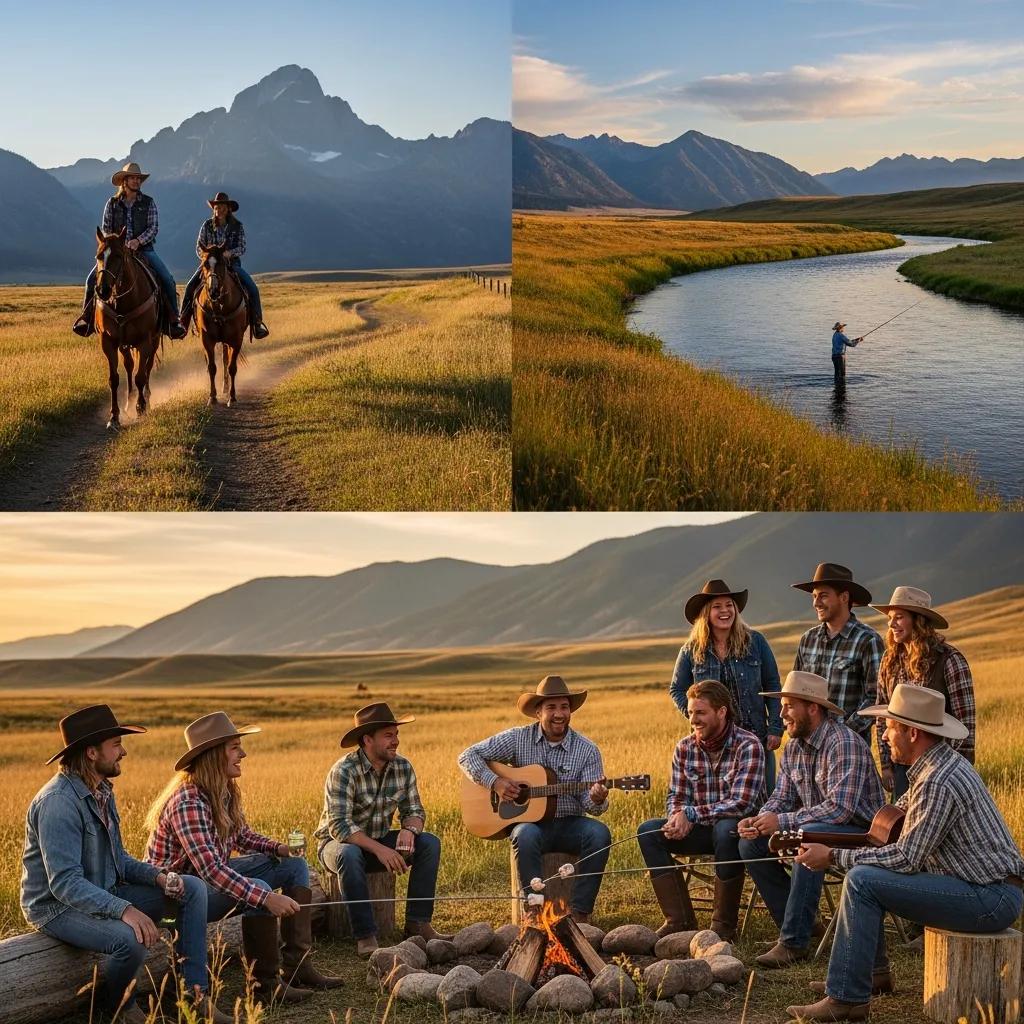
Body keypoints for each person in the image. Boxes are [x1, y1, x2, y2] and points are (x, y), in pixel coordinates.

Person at [788, 685, 1024, 1023]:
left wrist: (834, 857)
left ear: (913, 733)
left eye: (890, 727)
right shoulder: (934, 768)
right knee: (868, 878)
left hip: (990, 898)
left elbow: (906, 858)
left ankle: (846, 1000)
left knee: (862, 882)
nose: (883, 736)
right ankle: (871, 976)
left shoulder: (937, 781)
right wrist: (836, 844)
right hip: (986, 889)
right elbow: (893, 820)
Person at [21, 705, 216, 1023]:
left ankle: (192, 994)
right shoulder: (57, 803)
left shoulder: (101, 791)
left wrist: (158, 877)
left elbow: (119, 858)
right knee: (129, 939)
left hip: (103, 888)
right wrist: (124, 910)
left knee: (189, 888)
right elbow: (64, 883)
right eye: (116, 744)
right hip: (57, 907)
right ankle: (116, 1010)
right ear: (91, 753)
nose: (123, 752)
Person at [146, 712, 342, 1002]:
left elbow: (241, 836)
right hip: (176, 898)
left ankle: (297, 966)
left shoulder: (222, 790)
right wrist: (266, 899)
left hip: (206, 881)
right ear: (214, 755)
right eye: (235, 747)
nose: (243, 754)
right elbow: (212, 870)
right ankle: (264, 987)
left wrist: (278, 848)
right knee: (259, 890)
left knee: (294, 865)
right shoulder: (188, 801)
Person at [737, 672, 885, 968]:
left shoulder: (844, 744)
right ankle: (804, 921)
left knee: (808, 834)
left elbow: (840, 810)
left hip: (862, 833)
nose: (781, 714)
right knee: (750, 845)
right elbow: (782, 797)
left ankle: (794, 942)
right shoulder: (793, 747)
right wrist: (762, 818)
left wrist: (785, 822)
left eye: (789, 705)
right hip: (816, 827)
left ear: (813, 708)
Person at [458, 675, 612, 925]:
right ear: (537, 712)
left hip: (570, 824)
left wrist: (598, 797)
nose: (559, 714)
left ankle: (580, 913)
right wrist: (495, 782)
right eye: (551, 707)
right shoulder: (518, 738)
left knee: (599, 834)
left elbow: (592, 806)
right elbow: (467, 756)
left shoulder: (587, 749)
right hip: (532, 826)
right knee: (524, 834)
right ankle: (533, 909)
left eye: (564, 707)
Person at [314, 702, 450, 958]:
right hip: (335, 845)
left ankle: (417, 925)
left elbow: (415, 811)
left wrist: (409, 830)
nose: (396, 741)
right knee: (349, 854)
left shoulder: (402, 767)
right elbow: (339, 826)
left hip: (377, 840)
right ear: (368, 739)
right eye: (389, 735)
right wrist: (381, 850)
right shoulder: (343, 771)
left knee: (429, 843)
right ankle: (365, 936)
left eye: (396, 734)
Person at [638, 680, 765, 940]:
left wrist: (692, 814)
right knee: (648, 831)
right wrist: (676, 818)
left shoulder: (748, 745)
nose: (693, 719)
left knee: (725, 828)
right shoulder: (685, 748)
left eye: (700, 712)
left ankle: (723, 926)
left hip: (740, 833)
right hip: (698, 830)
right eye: (691, 712)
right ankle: (679, 921)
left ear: (722, 712)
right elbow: (677, 794)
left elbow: (742, 803)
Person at [670, 579, 782, 791]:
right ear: (706, 613)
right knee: (720, 802)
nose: (725, 611)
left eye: (729, 605)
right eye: (717, 606)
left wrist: (775, 727)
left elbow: (773, 684)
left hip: (756, 737)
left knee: (764, 797)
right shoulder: (691, 650)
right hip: (712, 745)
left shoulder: (755, 641)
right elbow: (676, 689)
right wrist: (697, 715)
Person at [871, 586, 976, 799]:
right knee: (901, 826)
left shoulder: (949, 660)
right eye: (890, 618)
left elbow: (966, 724)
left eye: (899, 617)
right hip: (901, 763)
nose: (892, 624)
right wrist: (886, 764)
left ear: (918, 620)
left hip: (940, 765)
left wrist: (954, 772)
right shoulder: (889, 661)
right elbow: (883, 714)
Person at [73, 162, 186, 339]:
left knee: (167, 280)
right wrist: (117, 244)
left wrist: (137, 241)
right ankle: (87, 320)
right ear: (124, 182)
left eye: (138, 178)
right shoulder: (112, 204)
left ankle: (173, 321)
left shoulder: (148, 202)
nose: (136, 181)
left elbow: (153, 227)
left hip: (144, 250)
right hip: (117, 252)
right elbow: (106, 228)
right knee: (90, 281)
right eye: (132, 178)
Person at [792, 563, 883, 745]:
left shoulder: (868, 640)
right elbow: (795, 692)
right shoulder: (808, 639)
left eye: (823, 596)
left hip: (849, 747)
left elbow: (877, 698)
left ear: (844, 597)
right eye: (815, 596)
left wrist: (843, 732)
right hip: (807, 744)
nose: (816, 603)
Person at [179, 192, 270, 340]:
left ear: (228, 209)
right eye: (216, 207)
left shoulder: (237, 226)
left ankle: (257, 323)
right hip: (209, 264)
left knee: (252, 288)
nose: (219, 210)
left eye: (222, 207)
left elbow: (242, 247)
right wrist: (207, 256)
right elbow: (198, 247)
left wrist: (229, 254)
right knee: (190, 286)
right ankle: (183, 322)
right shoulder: (207, 225)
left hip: (231, 264)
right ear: (213, 209)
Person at [831, 321, 863, 386]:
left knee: (837, 373)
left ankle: (836, 386)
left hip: (834, 356)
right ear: (840, 328)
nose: (843, 329)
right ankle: (841, 387)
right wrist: (859, 341)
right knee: (842, 374)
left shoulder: (835, 335)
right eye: (842, 327)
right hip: (840, 357)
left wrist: (856, 339)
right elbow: (851, 344)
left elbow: (848, 341)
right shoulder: (841, 335)